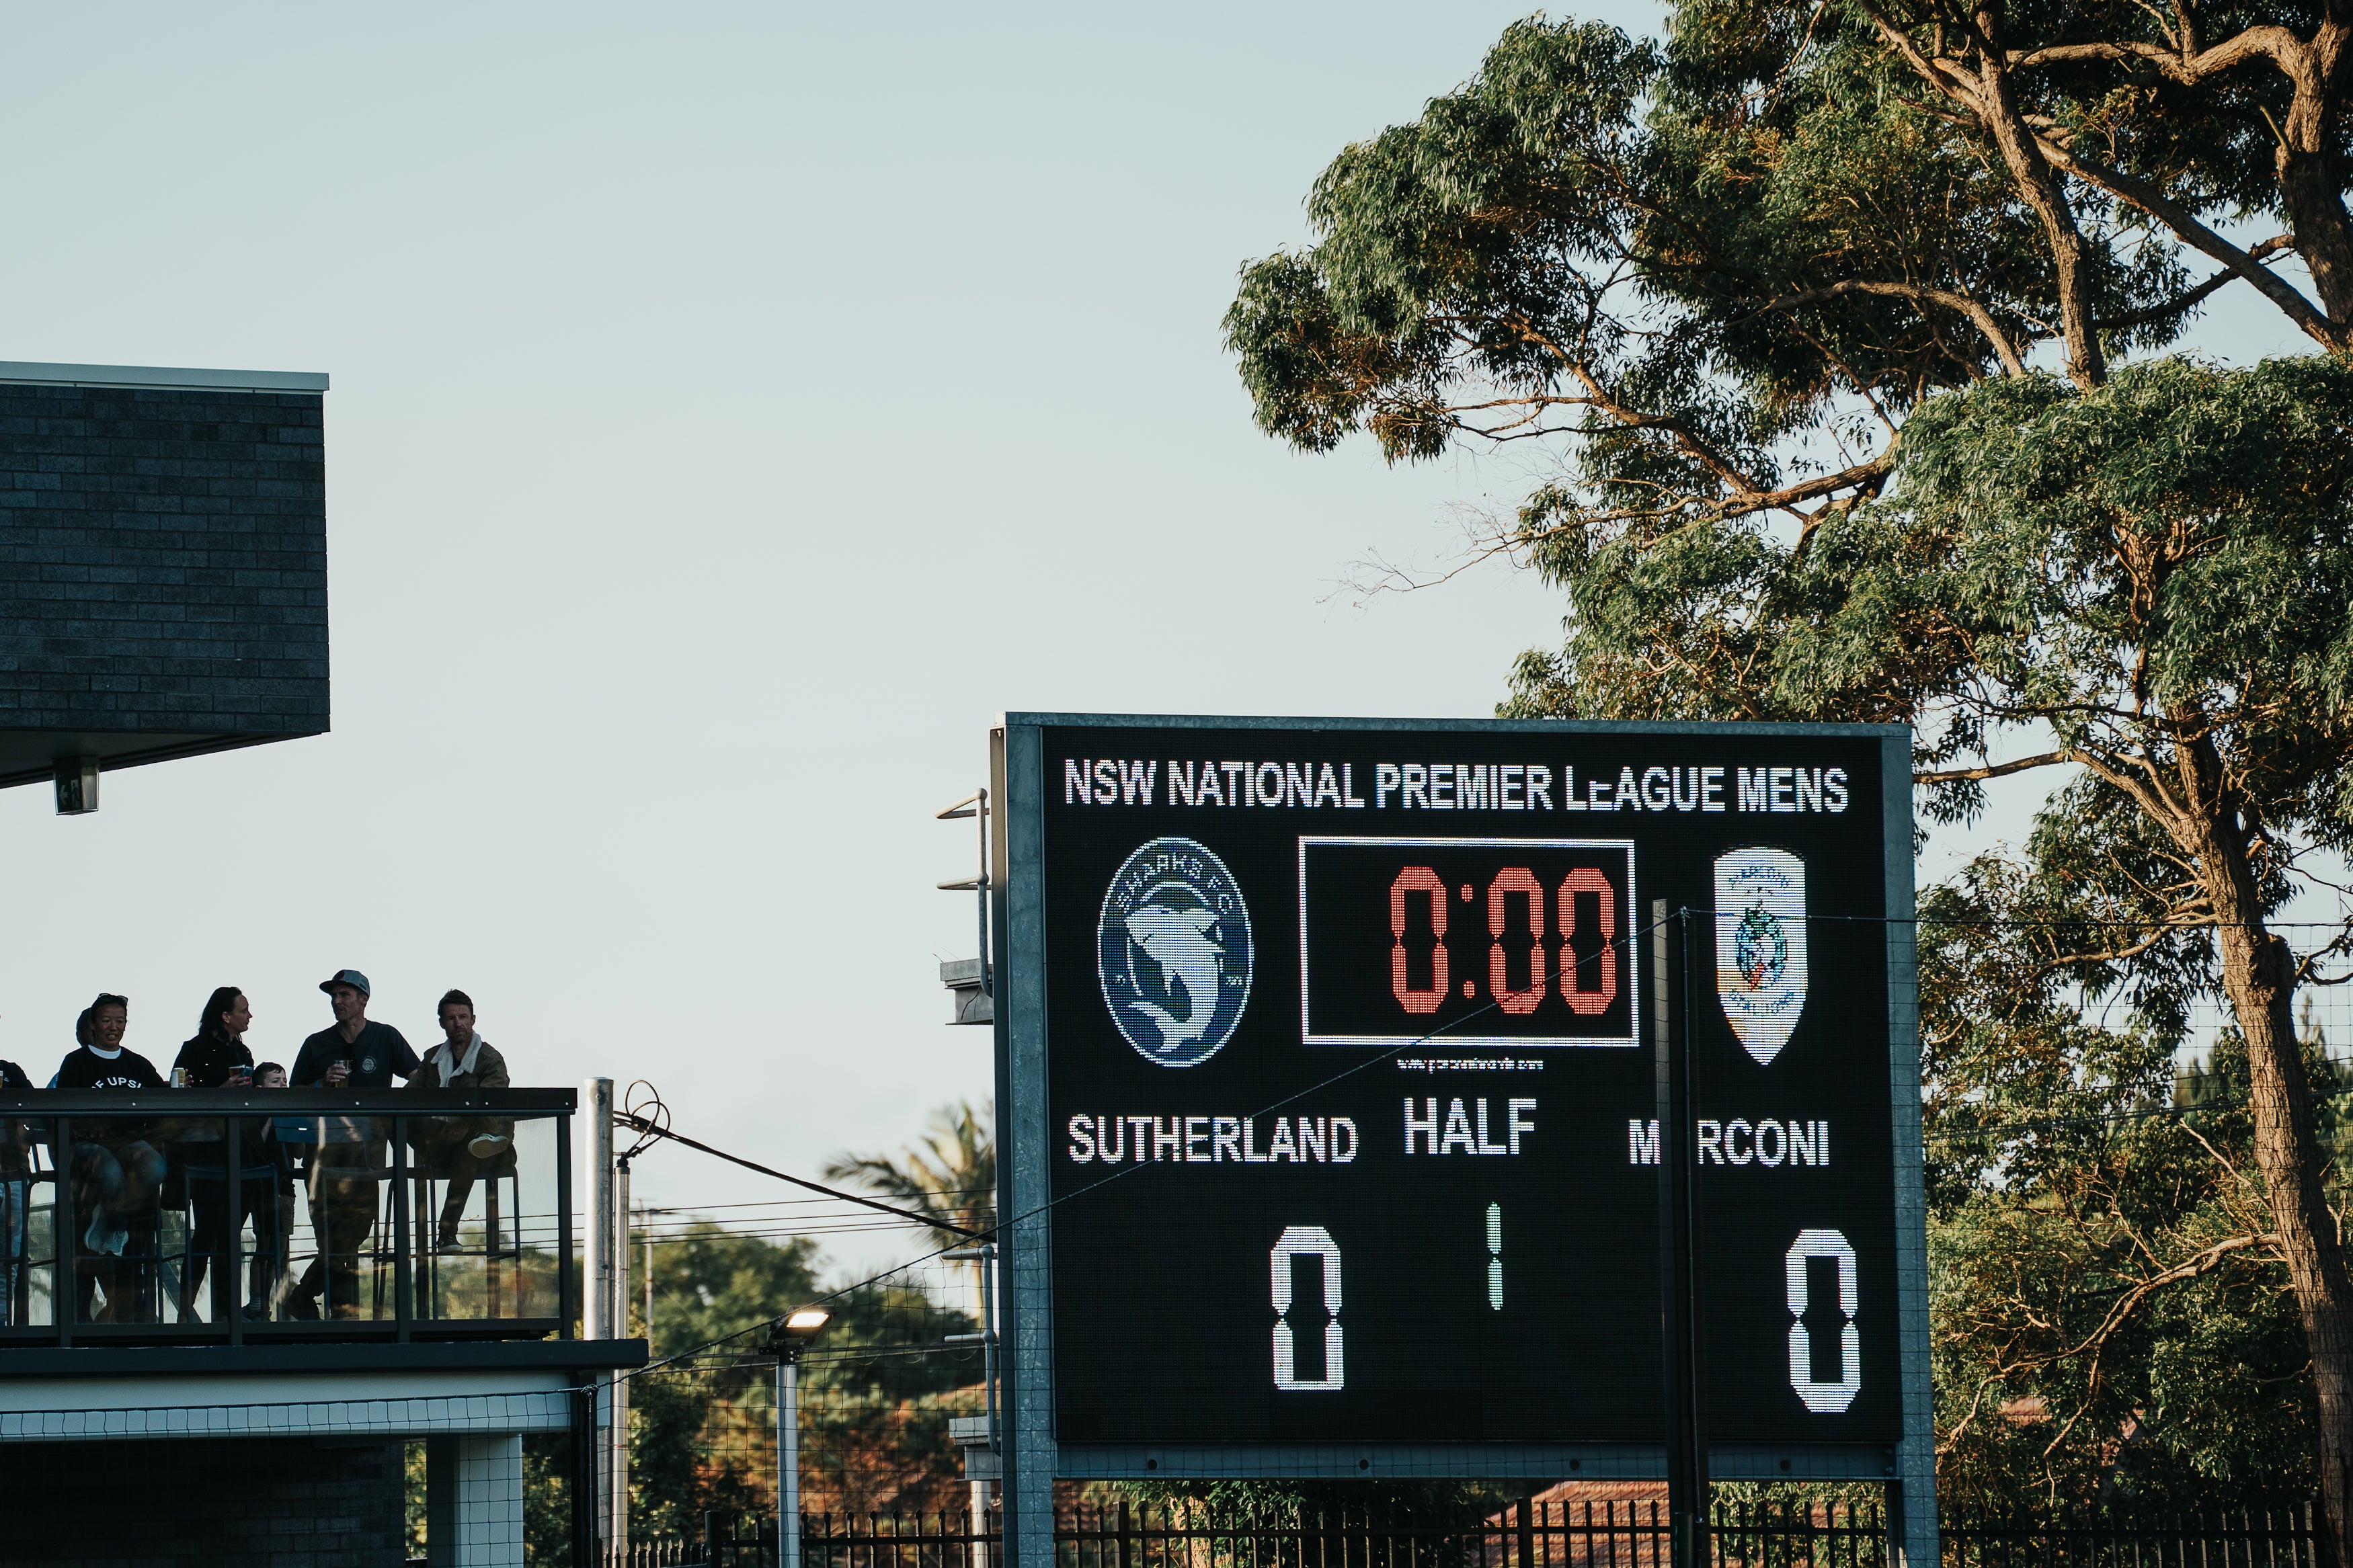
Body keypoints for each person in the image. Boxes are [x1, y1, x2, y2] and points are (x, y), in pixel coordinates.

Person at [284, 971, 417, 1319]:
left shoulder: (386, 1037)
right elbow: (291, 1095)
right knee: (328, 1233)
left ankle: (303, 1298)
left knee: (357, 1230)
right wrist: (320, 1083)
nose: (337, 1001)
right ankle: (344, 1323)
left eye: (345, 995)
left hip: (367, 1153)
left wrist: (393, 1111)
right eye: (334, 996)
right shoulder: (316, 1043)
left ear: (363, 1000)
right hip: (323, 1153)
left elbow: (419, 1076)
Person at [54, 995, 167, 1322]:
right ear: (93, 1024)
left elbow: (163, 1101)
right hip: (89, 1145)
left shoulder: (138, 1064)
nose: (113, 1027)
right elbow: (63, 1110)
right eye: (106, 1021)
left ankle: (108, 1214)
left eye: (120, 1021)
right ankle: (114, 1224)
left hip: (130, 1142)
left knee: (155, 1166)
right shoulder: (76, 1062)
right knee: (111, 1170)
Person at [172, 987, 262, 1315]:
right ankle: (185, 1310)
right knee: (207, 1233)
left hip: (240, 1153)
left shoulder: (244, 1054)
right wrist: (219, 1092)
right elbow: (177, 1096)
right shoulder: (194, 1050)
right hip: (204, 1156)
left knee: (229, 1238)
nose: (249, 1016)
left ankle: (225, 1316)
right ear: (226, 1016)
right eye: (244, 1010)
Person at [407, 990, 511, 1251]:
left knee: (471, 1149)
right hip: (442, 1144)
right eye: (451, 1018)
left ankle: (447, 1233)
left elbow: (494, 1101)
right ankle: (446, 1235)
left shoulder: (490, 1058)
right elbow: (408, 1096)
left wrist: (464, 1124)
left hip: (490, 1148)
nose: (458, 1023)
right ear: (442, 1022)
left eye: (463, 1017)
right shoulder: (432, 1059)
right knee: (399, 1120)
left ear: (474, 1019)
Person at [0, 1053, 30, 1328]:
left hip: (12, 1172)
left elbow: (37, 1110)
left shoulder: (10, 1071)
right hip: (12, 1175)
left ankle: (4, 1324)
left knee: (10, 1257)